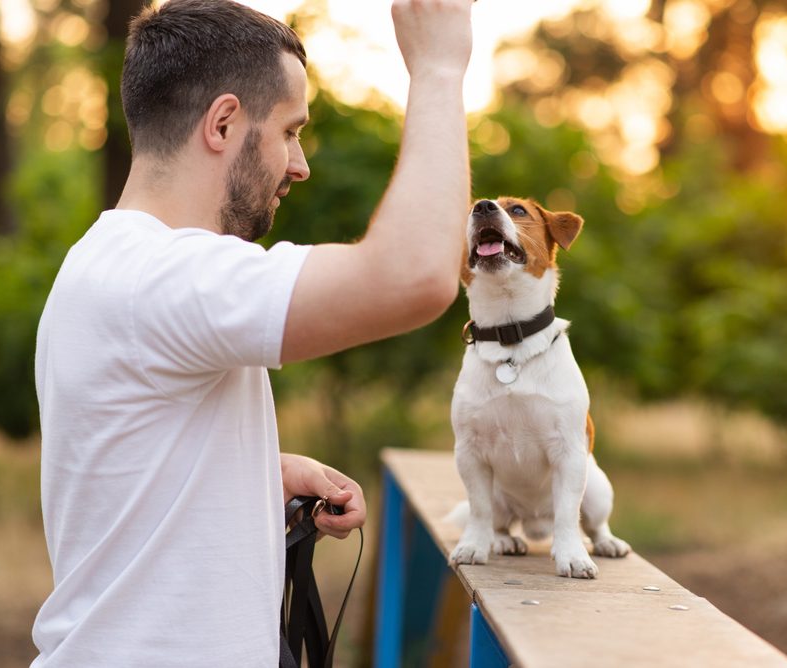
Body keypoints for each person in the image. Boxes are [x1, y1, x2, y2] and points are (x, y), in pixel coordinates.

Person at [30, 0, 473, 665]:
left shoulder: (105, 263)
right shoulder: (164, 276)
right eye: (291, 131)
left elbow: (122, 465)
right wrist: (438, 69)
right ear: (225, 122)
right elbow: (414, 278)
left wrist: (256, 473)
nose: (300, 166)